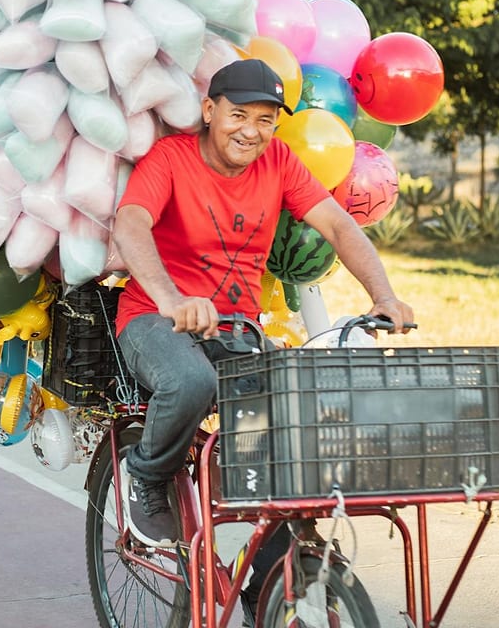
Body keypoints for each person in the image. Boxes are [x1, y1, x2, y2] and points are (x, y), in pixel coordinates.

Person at [111, 58, 415, 548]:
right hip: (154, 317)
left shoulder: (279, 163)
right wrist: (171, 298)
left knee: (292, 412)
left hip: (236, 328)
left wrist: (384, 296)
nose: (252, 131)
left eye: (266, 120)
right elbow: (131, 223)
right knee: (191, 381)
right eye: (239, 115)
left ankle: (274, 574)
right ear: (210, 110)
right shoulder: (171, 158)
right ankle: (146, 475)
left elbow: (338, 224)